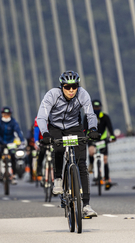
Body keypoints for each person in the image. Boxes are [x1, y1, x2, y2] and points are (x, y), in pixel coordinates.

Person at [36, 70, 101, 218]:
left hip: (74, 126)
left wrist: (92, 129)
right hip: (55, 127)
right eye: (67, 87)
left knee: (82, 163)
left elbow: (90, 114)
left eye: (74, 86)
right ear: (61, 87)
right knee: (58, 149)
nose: (71, 90)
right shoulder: (52, 95)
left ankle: (86, 205)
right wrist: (45, 133)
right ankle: (58, 179)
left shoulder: (83, 94)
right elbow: (41, 116)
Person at [0, 106, 26, 185]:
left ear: (10, 114)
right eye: (4, 114)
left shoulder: (13, 122)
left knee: (13, 156)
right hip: (0, 142)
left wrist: (22, 141)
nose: (6, 116)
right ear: (2, 114)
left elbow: (18, 131)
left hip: (10, 142)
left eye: (8, 114)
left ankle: (13, 176)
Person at [84, 99, 117, 190]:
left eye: (98, 107)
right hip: (92, 139)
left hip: (102, 140)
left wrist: (113, 136)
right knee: (91, 151)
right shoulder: (87, 117)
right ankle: (91, 163)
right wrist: (83, 137)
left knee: (105, 159)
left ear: (100, 108)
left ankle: (106, 180)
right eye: (94, 107)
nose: (96, 109)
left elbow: (110, 128)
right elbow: (84, 128)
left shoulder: (105, 117)